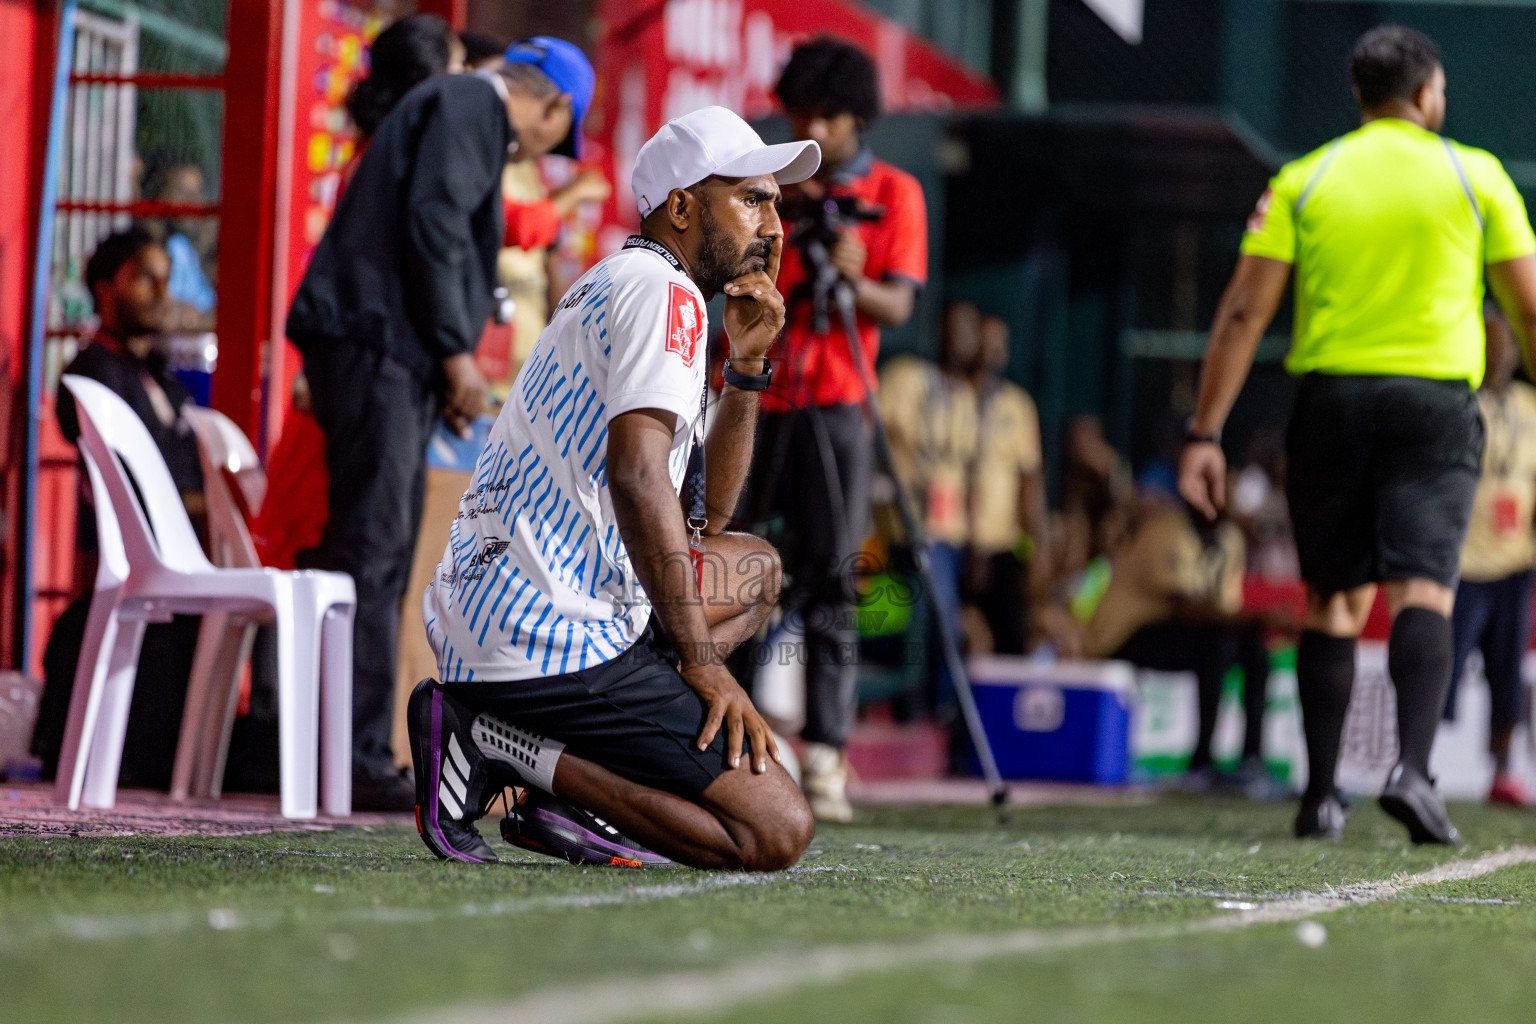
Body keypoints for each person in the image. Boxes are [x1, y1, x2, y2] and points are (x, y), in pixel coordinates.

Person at [408, 106, 820, 870]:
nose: (775, 227)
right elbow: (636, 477)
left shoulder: (639, 283)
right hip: (542, 633)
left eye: (777, 205)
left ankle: (569, 789)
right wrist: (703, 664)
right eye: (752, 199)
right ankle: (503, 746)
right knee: (774, 830)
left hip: (511, 609)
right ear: (683, 207)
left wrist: (748, 369)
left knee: (756, 569)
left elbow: (706, 516)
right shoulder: (661, 296)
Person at [1178, 25, 1536, 843]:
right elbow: (1531, 310)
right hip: (1435, 404)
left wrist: (1205, 431)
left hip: (1330, 401)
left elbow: (1242, 311)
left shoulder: (1305, 179)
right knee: (1424, 588)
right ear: (1427, 95)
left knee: (1332, 600)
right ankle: (1413, 771)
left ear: (1359, 97)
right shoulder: (1475, 175)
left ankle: (1319, 793)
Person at [285, 39, 595, 811]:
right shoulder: (471, 103)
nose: (546, 149)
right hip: (377, 344)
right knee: (373, 549)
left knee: (373, 550)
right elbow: (436, 222)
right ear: (552, 105)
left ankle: (341, 753)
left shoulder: (459, 107)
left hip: (381, 345)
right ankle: (348, 760)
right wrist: (457, 353)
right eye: (559, 131)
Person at [729, 37, 929, 821]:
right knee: (740, 569)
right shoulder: (773, 188)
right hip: (759, 393)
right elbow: (737, 286)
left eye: (825, 118)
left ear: (856, 119)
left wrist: (852, 273)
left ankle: (826, 757)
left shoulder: (894, 192)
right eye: (799, 112)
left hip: (843, 401)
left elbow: (898, 308)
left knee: (835, 580)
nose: (810, 126)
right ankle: (733, 738)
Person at [34, 227, 206, 789]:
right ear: (105, 289)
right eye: (143, 278)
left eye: (165, 278)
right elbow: (136, 487)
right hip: (143, 553)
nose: (161, 291)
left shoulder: (157, 373)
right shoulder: (89, 373)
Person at [1083, 499, 1272, 788]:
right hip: (1126, 632)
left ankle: (1251, 761)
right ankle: (1202, 763)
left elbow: (1222, 610)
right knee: (1216, 646)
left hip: (1184, 632)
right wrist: (1260, 616)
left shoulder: (1230, 538)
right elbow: (1183, 606)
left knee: (1253, 651)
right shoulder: (1166, 529)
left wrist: (1252, 623)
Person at [1447, 304, 1536, 807]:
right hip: (1465, 561)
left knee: (1508, 673)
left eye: (1508, 342)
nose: (1500, 351)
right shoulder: (1460, 403)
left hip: (1515, 560)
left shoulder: (1529, 404)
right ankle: (1417, 763)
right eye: (1491, 340)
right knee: (1444, 667)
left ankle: (1502, 771)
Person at [970, 313, 1051, 654]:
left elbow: (1030, 480)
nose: (993, 350)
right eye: (986, 340)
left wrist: (1040, 543)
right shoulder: (952, 397)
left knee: (1010, 637)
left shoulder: (1017, 406)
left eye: (1000, 342)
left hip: (1003, 544)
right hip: (957, 541)